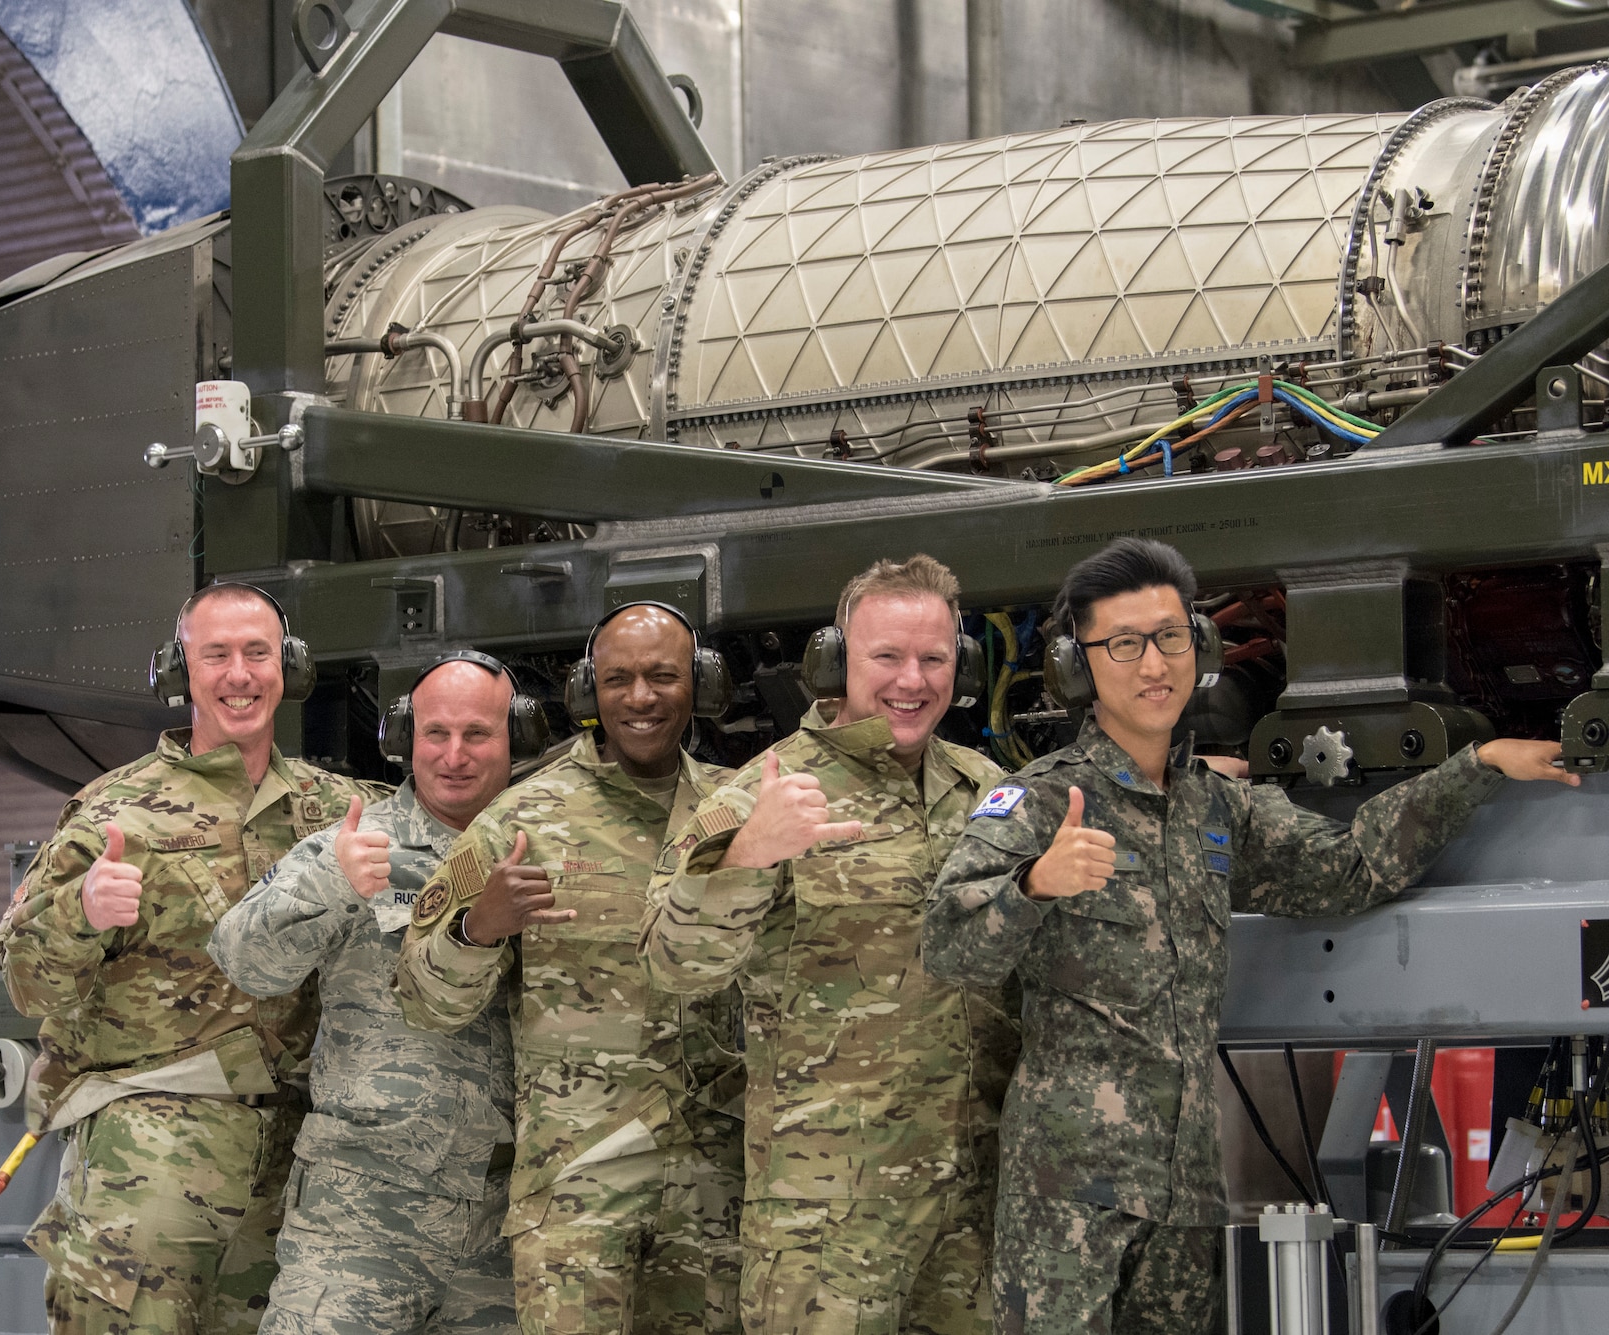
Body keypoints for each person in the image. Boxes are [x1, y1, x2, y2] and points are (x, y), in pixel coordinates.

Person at [923, 536, 1580, 1335]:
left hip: (1187, 1198)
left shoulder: (1216, 807)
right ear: (1079, 665)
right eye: (1123, 644)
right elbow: (949, 945)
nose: (1153, 663)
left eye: (1170, 637)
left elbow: (1349, 868)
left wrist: (1475, 767)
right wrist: (1035, 884)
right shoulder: (1038, 800)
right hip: (1071, 1201)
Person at [0, 583, 386, 1335]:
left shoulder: (336, 811)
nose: (239, 674)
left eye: (257, 653)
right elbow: (25, 982)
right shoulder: (116, 810)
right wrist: (81, 911)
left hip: (295, 1169)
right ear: (183, 670)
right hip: (153, 1163)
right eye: (217, 655)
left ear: (289, 666)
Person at [642, 555, 1018, 1335]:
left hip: (969, 1207)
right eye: (886, 656)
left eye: (934, 658)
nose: (911, 681)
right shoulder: (762, 788)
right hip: (827, 1221)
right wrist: (750, 855)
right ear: (836, 660)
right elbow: (670, 962)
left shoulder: (989, 790)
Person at [394, 603, 745, 1335]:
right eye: (618, 679)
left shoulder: (735, 811)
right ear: (589, 692)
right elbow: (422, 998)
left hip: (714, 1188)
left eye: (662, 676)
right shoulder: (521, 821)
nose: (641, 697)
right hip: (579, 1188)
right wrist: (477, 926)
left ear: (701, 686)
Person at [207, 652, 529, 1335]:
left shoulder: (540, 849)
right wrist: (331, 883)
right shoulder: (358, 845)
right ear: (406, 739)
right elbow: (241, 957)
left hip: (501, 1227)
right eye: (435, 733)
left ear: (515, 740)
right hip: (361, 1217)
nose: (453, 755)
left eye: (477, 734)